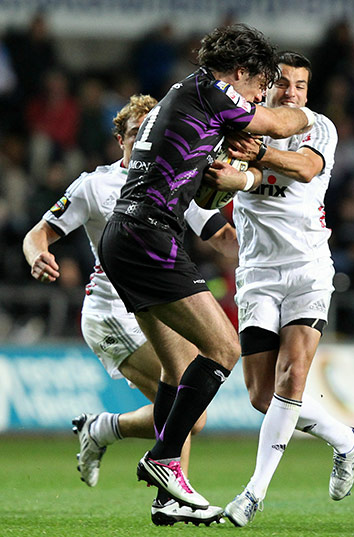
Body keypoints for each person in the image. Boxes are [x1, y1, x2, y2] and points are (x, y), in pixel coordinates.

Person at [98, 24, 315, 510]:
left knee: (177, 370)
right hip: (149, 235)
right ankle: (165, 459)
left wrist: (218, 179)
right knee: (222, 347)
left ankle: (165, 499)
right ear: (239, 73)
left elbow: (198, 190)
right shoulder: (213, 91)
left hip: (127, 234)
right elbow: (280, 126)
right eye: (261, 85)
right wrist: (305, 112)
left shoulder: (190, 96)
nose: (262, 96)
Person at [22, 94, 237, 526]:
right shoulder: (93, 184)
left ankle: (104, 431)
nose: (146, 141)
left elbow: (222, 235)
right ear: (120, 139)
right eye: (138, 134)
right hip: (111, 313)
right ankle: (166, 493)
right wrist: (36, 255)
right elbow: (38, 233)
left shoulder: (172, 181)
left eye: (152, 133)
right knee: (184, 402)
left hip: (157, 304)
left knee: (191, 414)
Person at [204, 51, 354, 526]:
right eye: (283, 83)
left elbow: (303, 169)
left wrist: (254, 157)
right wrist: (222, 180)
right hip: (256, 276)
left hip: (307, 270)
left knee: (291, 378)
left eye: (299, 85)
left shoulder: (319, 128)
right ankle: (344, 438)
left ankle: (252, 495)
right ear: (266, 86)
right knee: (261, 396)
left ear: (307, 92)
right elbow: (244, 180)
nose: (291, 91)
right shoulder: (240, 128)